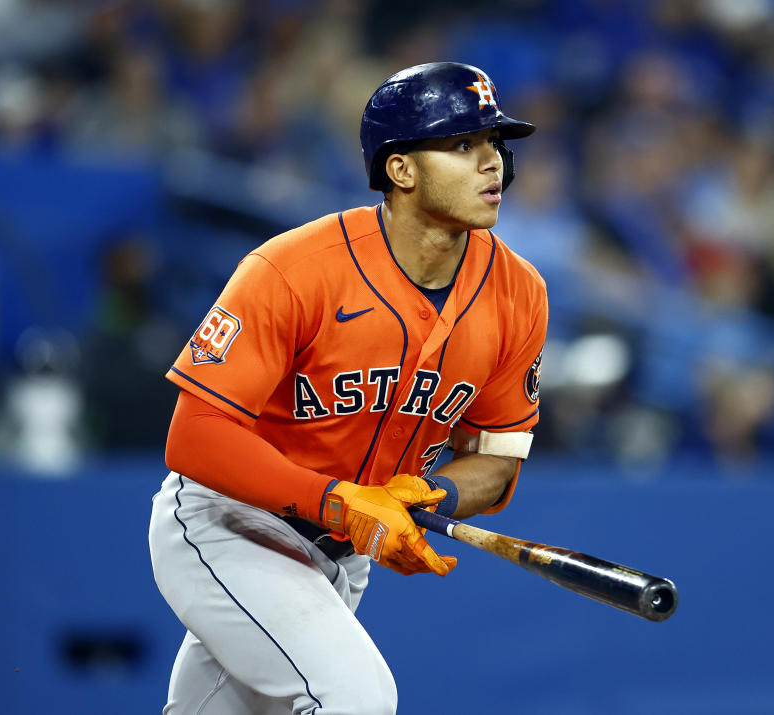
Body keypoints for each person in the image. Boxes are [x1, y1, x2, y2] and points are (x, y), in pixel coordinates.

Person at [148, 61, 548, 714]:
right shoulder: (294, 268)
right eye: (461, 144)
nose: (491, 162)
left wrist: (433, 490)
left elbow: (499, 465)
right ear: (401, 169)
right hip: (231, 523)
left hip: (338, 560)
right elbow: (194, 437)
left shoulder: (519, 292)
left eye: (495, 144)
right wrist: (338, 503)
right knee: (355, 696)